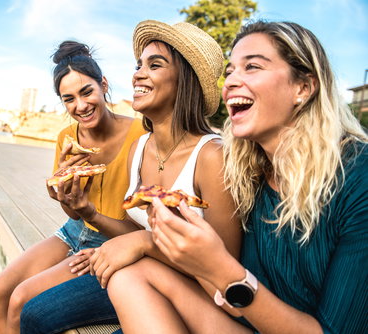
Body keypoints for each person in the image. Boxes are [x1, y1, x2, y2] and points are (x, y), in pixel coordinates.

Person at [106, 20, 368, 334]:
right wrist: (177, 244)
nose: (230, 82)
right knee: (128, 277)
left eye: (252, 67)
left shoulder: (357, 177)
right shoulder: (250, 174)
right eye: (230, 72)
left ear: (303, 87)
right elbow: (229, 300)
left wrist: (220, 268)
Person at [21, 20, 242, 333]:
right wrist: (88, 211)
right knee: (33, 314)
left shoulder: (213, 156)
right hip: (137, 274)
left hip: (192, 295)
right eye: (139, 64)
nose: (138, 73)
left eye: (155, 64)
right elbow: (132, 228)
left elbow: (225, 268)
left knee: (36, 315)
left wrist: (144, 244)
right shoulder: (140, 148)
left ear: (185, 80)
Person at [0, 40, 146, 334]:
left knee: (20, 300)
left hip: (115, 239)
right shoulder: (67, 137)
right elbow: (73, 215)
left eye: (87, 92)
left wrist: (87, 211)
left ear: (103, 85)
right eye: (68, 99)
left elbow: (142, 225)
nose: (80, 106)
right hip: (74, 231)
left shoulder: (141, 133)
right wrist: (61, 192)